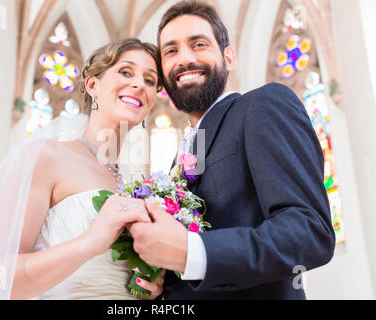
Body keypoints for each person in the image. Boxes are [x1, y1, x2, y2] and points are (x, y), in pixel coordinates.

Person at [130, 0, 336, 300]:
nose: (184, 59)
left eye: (198, 44)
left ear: (228, 57)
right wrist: (162, 279)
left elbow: (309, 233)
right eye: (171, 51)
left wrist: (192, 252)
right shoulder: (181, 155)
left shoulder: (262, 105)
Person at [0, 38, 165, 300]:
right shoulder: (46, 157)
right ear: (93, 85)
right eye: (126, 72)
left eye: (150, 80)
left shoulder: (135, 191)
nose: (139, 84)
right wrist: (89, 243)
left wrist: (147, 289)